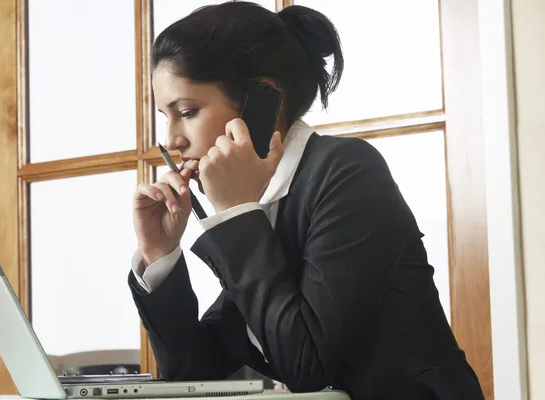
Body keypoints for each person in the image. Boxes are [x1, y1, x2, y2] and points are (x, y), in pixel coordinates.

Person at [127, 2, 485, 399]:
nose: (173, 139)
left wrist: (234, 213)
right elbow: (192, 370)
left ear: (261, 99)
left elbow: (306, 364)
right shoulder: (265, 207)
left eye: (187, 112)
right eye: (166, 117)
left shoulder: (347, 172)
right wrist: (159, 254)